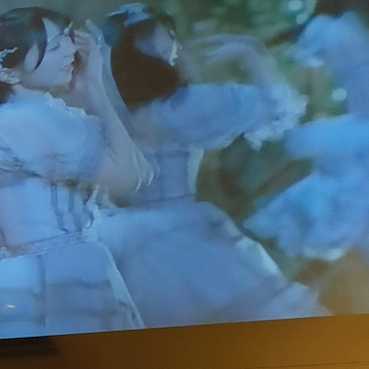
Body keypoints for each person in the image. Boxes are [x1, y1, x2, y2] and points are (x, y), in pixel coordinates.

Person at [0, 7, 150, 341]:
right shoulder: (20, 123)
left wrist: (94, 88)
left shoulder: (43, 114)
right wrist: (96, 85)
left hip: (61, 267)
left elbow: (138, 170)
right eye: (54, 45)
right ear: (8, 73)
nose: (70, 50)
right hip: (52, 275)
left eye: (66, 39)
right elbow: (128, 178)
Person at [98, 4, 324, 328]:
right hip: (182, 242)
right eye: (166, 34)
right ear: (144, 43)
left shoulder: (100, 113)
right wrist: (252, 55)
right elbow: (277, 109)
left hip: (123, 250)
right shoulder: (178, 108)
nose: (174, 44)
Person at [245, 0, 369, 276]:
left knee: (339, 205)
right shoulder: (343, 30)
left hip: (364, 135)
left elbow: (309, 68)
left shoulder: (337, 30)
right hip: (364, 135)